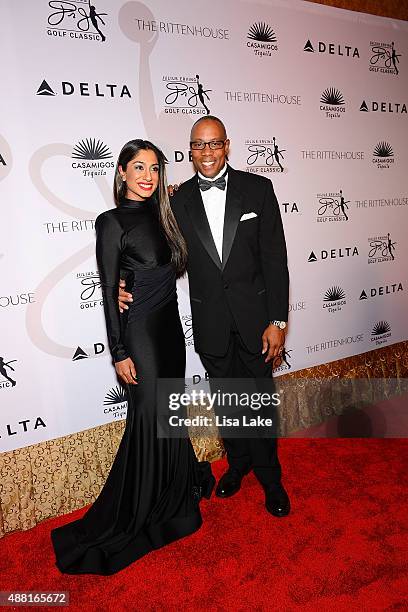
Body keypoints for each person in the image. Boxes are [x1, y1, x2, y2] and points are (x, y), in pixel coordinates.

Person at [51, 139, 215, 575]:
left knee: (169, 415)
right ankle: (137, 512)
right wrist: (119, 350)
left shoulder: (164, 213)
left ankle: (172, 499)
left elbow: (187, 197)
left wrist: (174, 191)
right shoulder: (110, 223)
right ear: (121, 172)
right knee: (148, 417)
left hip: (170, 332)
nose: (147, 176)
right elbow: (109, 291)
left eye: (154, 168)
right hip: (139, 336)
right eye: (138, 167)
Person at [119, 117, 291, 517]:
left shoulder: (258, 189)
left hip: (256, 322)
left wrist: (278, 321)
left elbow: (275, 260)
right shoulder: (176, 202)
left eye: (214, 144)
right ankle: (238, 464)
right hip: (211, 323)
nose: (207, 152)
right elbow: (150, 251)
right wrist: (122, 284)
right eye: (199, 145)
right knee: (228, 403)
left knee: (260, 402)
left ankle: (270, 477)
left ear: (227, 146)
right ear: (190, 150)